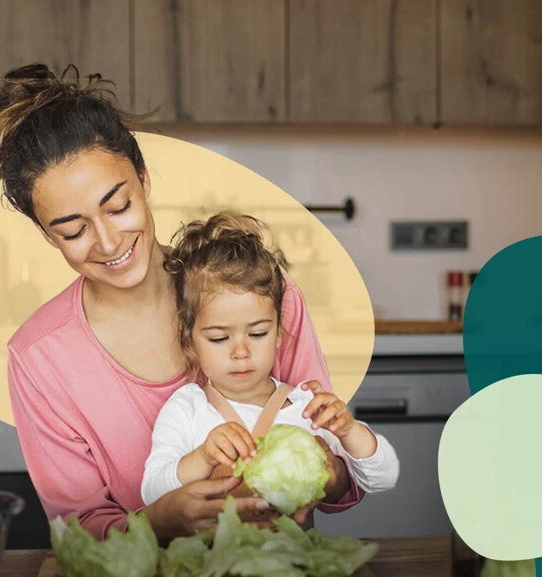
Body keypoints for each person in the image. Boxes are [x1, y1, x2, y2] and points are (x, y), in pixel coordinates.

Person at [0, 63, 362, 541]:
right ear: (45, 233)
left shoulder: (260, 291)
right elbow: (80, 532)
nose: (106, 241)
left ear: (143, 178)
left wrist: (328, 471)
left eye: (118, 207)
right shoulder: (39, 358)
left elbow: (340, 474)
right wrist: (158, 522)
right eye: (73, 230)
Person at [141, 213, 399, 520]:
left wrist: (348, 430)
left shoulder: (307, 407)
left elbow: (384, 479)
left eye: (258, 334)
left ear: (279, 335)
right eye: (219, 338)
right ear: (189, 341)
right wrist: (204, 457)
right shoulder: (186, 409)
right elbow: (152, 492)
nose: (241, 351)